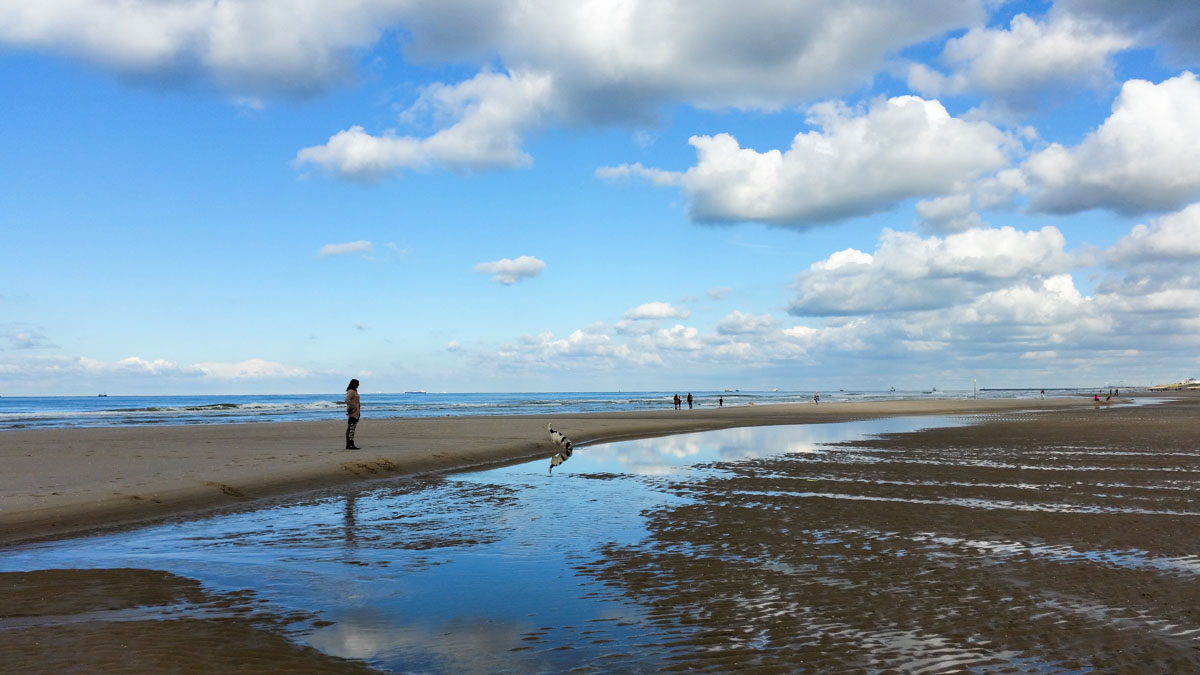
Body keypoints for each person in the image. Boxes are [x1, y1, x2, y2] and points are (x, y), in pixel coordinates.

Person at [345, 378, 361, 449]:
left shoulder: (355, 391)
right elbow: (347, 400)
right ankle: (350, 444)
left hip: (356, 412)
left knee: (351, 428)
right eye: (357, 383)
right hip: (353, 412)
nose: (358, 385)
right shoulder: (351, 391)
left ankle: (349, 444)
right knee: (351, 428)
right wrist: (354, 407)